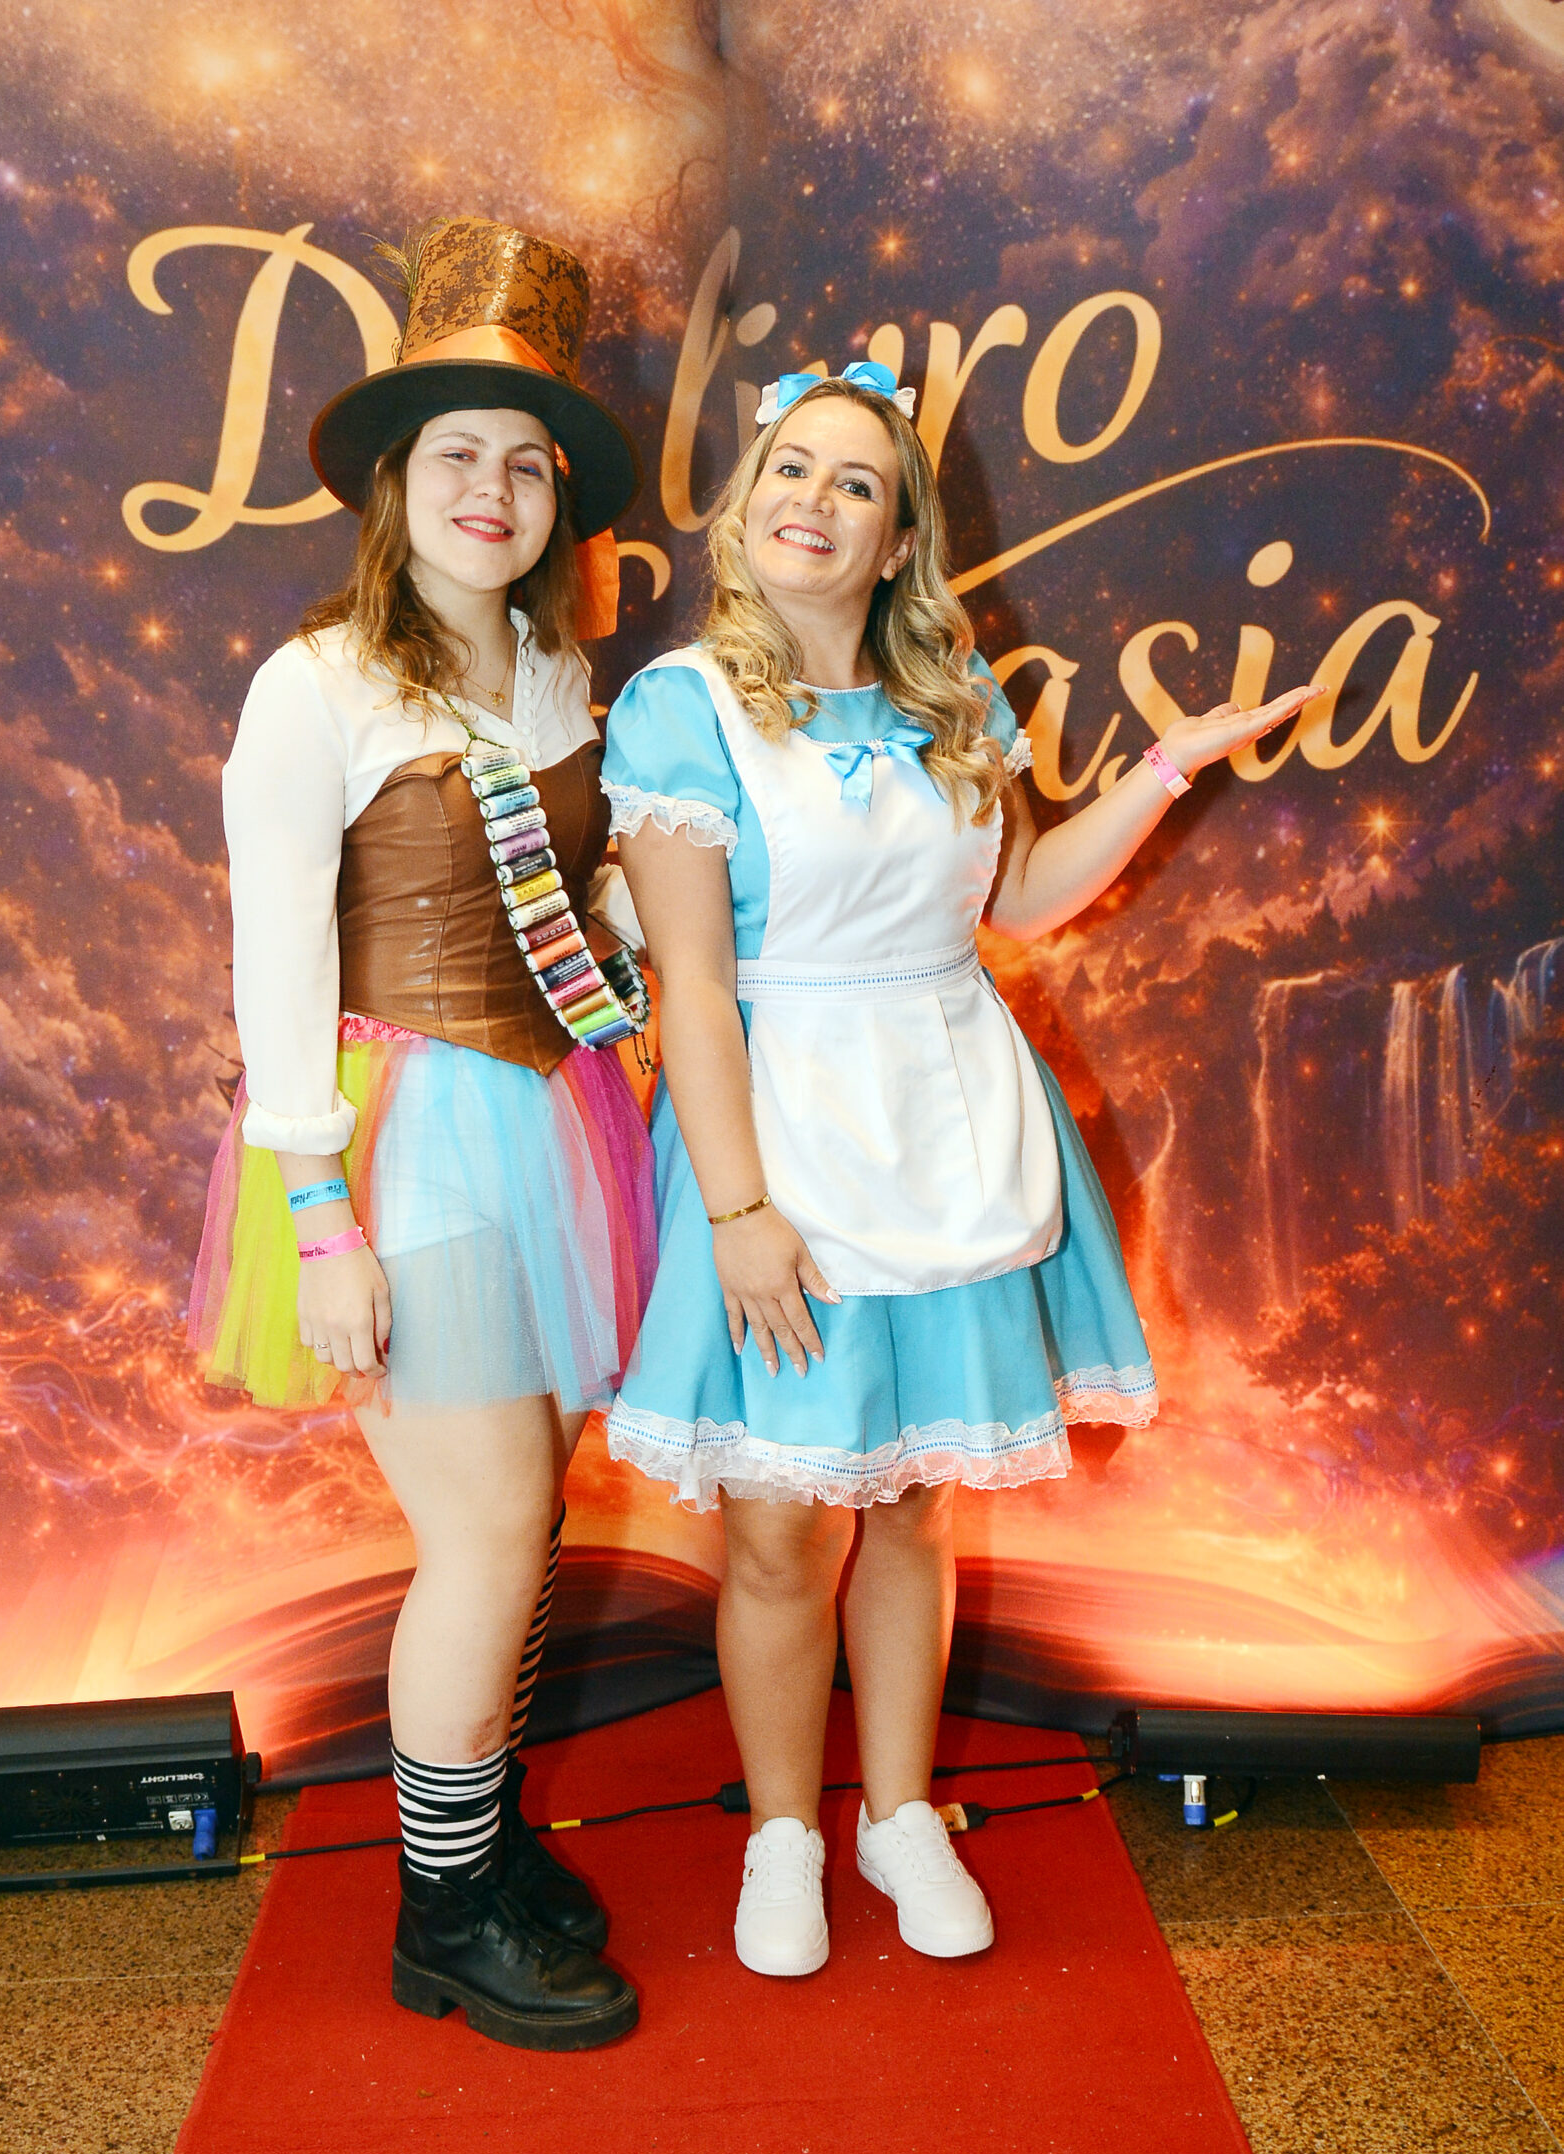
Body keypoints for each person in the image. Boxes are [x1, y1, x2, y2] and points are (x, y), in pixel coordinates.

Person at [602, 360, 1319, 1978]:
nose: (812, 500)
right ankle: (782, 1835)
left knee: (916, 1504)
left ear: (898, 537)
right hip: (777, 1131)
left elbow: (1025, 896)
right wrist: (735, 1211)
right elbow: (691, 987)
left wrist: (1166, 766)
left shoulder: (953, 694)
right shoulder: (678, 706)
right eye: (792, 467)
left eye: (854, 482)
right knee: (782, 1524)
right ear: (747, 499)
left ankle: (897, 1815)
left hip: (951, 1120)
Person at [190, 218, 657, 2049]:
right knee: (489, 1530)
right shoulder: (314, 684)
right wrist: (321, 1221)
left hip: (557, 1124)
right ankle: (442, 1913)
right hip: (403, 1144)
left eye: (527, 463)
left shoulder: (558, 680)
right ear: (392, 481)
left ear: (557, 504)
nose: (493, 488)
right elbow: (275, 962)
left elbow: (576, 903)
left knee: (526, 1522)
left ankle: (483, 1847)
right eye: (457, 452)